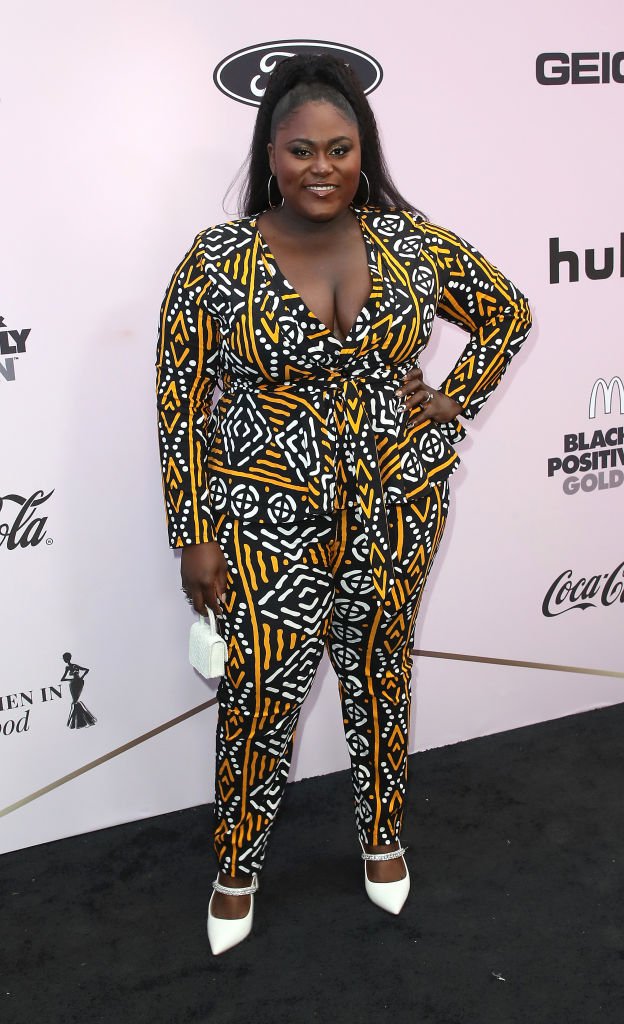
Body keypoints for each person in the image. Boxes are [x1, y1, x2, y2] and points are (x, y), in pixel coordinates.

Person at [156, 53, 532, 955]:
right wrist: (192, 534)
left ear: (363, 152)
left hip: (397, 501)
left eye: (339, 148)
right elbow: (181, 402)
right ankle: (238, 863)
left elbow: (507, 312)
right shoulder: (218, 259)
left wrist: (457, 396)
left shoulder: (413, 242)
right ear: (271, 154)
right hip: (264, 516)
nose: (320, 168)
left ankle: (383, 836)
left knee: (378, 672)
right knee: (258, 695)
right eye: (300, 151)